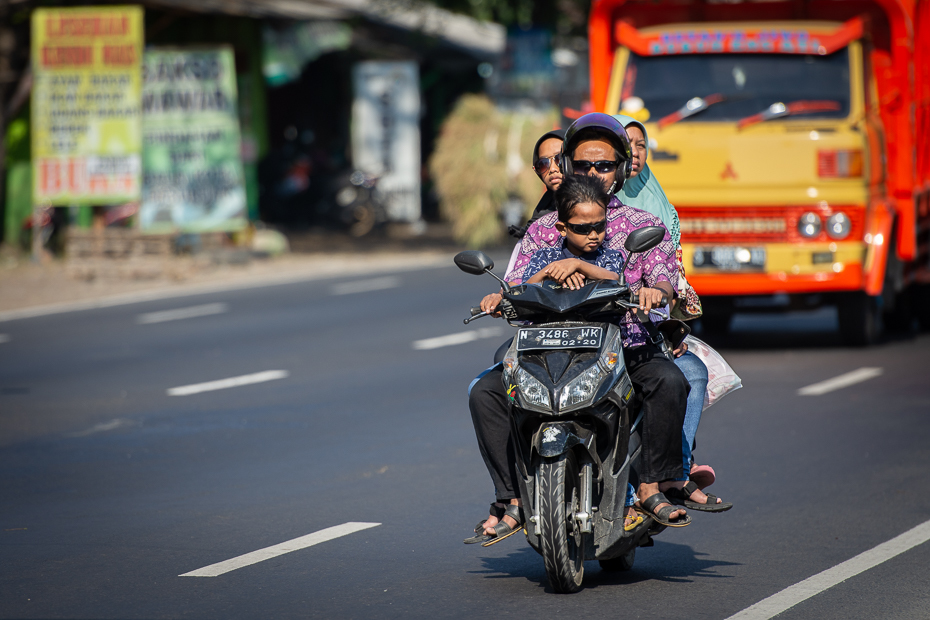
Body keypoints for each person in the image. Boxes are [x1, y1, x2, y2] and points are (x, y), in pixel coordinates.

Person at [466, 113, 692, 546]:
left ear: (623, 168)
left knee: (669, 381)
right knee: (485, 392)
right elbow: (517, 281)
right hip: (546, 348)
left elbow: (664, 277)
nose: (594, 174)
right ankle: (511, 500)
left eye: (604, 165)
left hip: (622, 347)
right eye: (584, 165)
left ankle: (650, 488)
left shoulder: (642, 226)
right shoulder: (540, 230)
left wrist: (654, 293)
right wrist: (502, 296)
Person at [614, 115, 728, 510]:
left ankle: (673, 472)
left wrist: (667, 325)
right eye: (624, 145)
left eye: (641, 145)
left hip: (643, 327)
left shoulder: (653, 204)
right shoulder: (579, 206)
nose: (633, 154)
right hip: (592, 330)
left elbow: (667, 274)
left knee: (691, 372)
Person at [507, 129, 566, 239]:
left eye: (559, 159)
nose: (552, 169)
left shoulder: (600, 206)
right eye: (543, 164)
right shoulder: (539, 220)